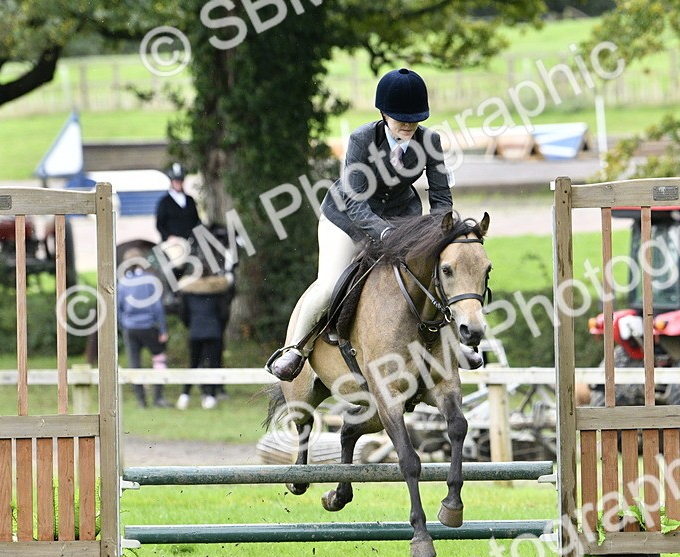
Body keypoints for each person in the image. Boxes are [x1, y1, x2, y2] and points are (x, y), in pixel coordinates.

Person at [266, 67, 481, 381]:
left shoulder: (429, 141)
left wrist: (442, 233)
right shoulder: (362, 139)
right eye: (400, 118)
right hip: (346, 219)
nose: (408, 124)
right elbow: (355, 201)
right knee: (329, 285)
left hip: (401, 219)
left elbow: (440, 196)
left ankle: (453, 344)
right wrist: (383, 233)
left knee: (431, 278)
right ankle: (295, 350)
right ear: (383, 114)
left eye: (414, 118)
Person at [117, 251, 170, 408]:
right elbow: (157, 307)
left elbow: (118, 308)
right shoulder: (150, 281)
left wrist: (124, 325)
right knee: (159, 358)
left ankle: (141, 401)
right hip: (148, 327)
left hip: (130, 328)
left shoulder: (123, 283)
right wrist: (163, 329)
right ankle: (158, 397)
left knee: (135, 363)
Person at [175, 273, 231, 410]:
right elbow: (224, 314)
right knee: (213, 364)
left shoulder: (188, 294)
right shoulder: (218, 294)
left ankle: (185, 395)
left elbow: (183, 313)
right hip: (214, 332)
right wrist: (219, 327)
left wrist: (191, 325)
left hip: (195, 332)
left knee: (193, 364)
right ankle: (211, 396)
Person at [156, 163, 203, 272]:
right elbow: (160, 224)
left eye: (180, 180)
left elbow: (196, 220)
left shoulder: (190, 200)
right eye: (176, 181)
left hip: (191, 240)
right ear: (172, 182)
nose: (178, 183)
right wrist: (169, 236)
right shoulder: (164, 202)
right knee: (178, 262)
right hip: (173, 241)